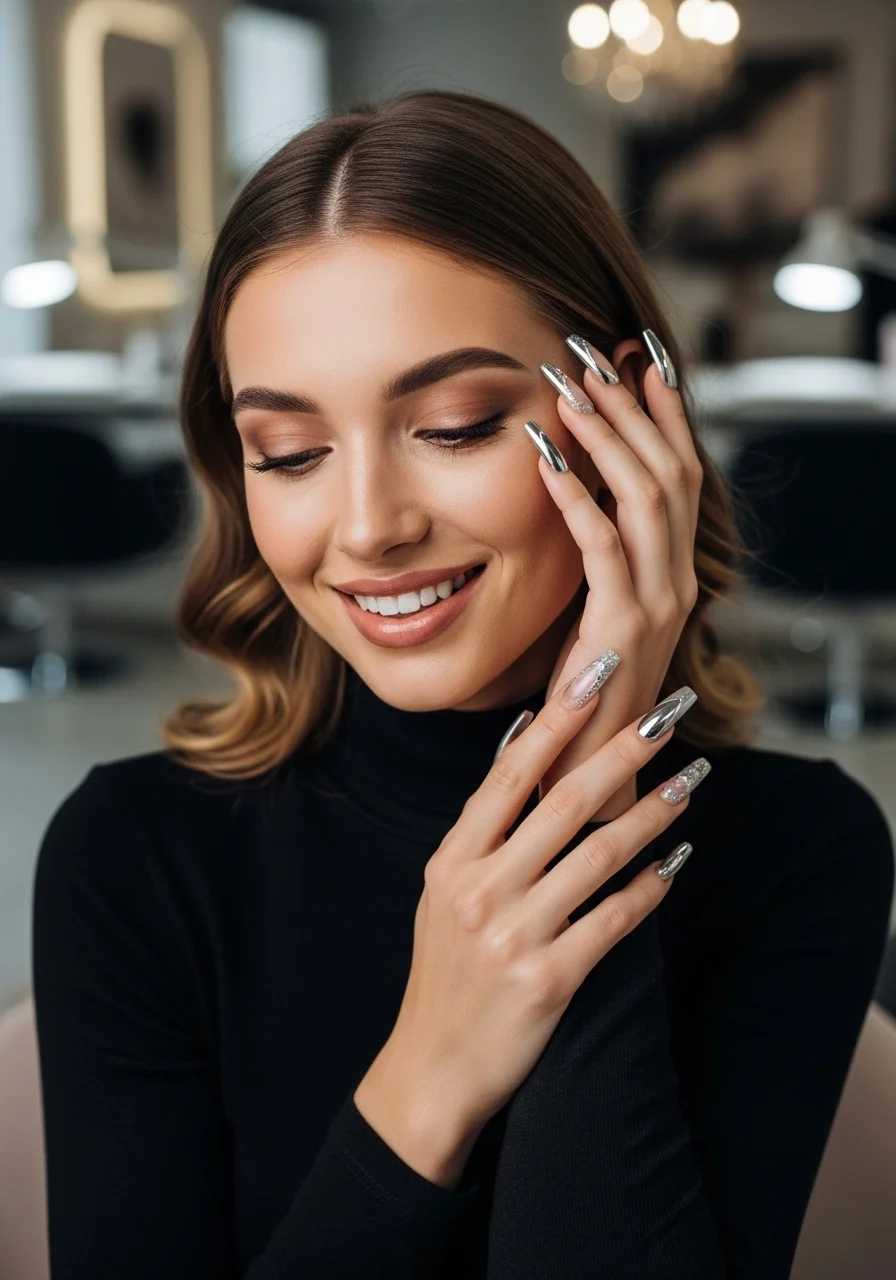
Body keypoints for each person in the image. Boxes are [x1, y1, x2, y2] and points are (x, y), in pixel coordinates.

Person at [31, 89, 894, 1280]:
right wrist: (428, 1072)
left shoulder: (799, 850)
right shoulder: (131, 854)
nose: (367, 527)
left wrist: (588, 780)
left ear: (625, 412)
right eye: (289, 452)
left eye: (453, 425)